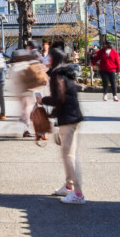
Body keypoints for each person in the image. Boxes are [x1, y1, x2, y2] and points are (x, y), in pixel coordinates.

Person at [41, 48, 85, 204]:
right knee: (68, 153)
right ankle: (68, 186)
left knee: (69, 155)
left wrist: (43, 101)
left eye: (48, 56)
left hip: (68, 118)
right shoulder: (65, 72)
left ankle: (78, 194)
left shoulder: (57, 75)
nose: (46, 59)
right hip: (72, 116)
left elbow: (58, 98)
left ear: (53, 58)